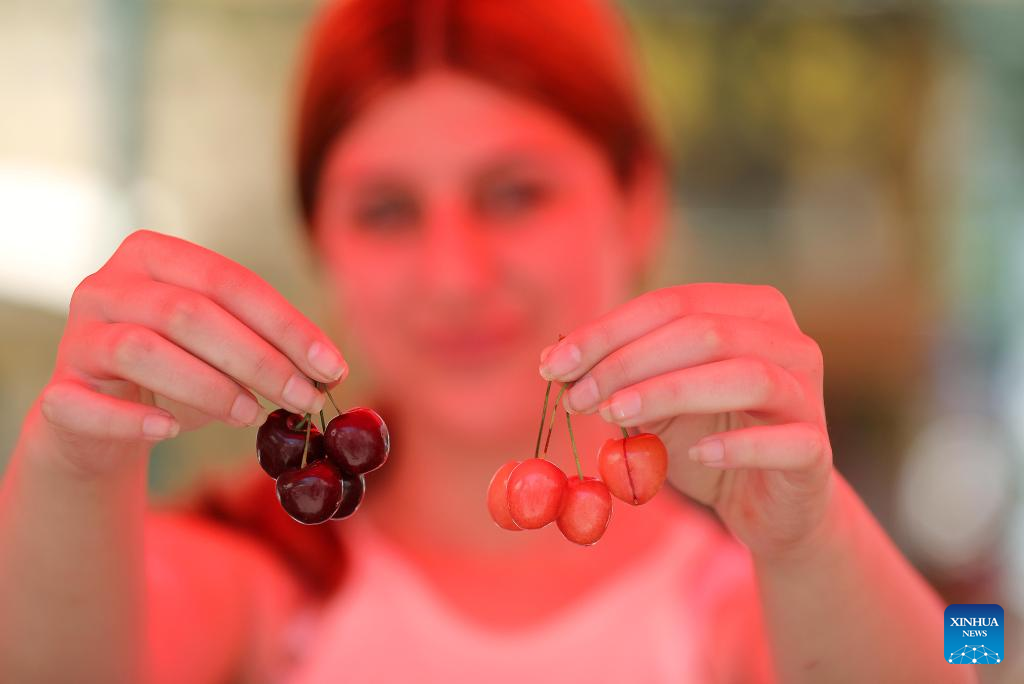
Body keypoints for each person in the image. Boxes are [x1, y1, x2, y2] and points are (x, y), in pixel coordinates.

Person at [0, 1, 977, 682]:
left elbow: (974, 652)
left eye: (514, 193)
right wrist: (70, 465)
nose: (456, 274)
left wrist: (813, 537)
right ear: (322, 246)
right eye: (387, 210)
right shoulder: (241, 569)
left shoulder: (768, 591)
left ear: (637, 203)